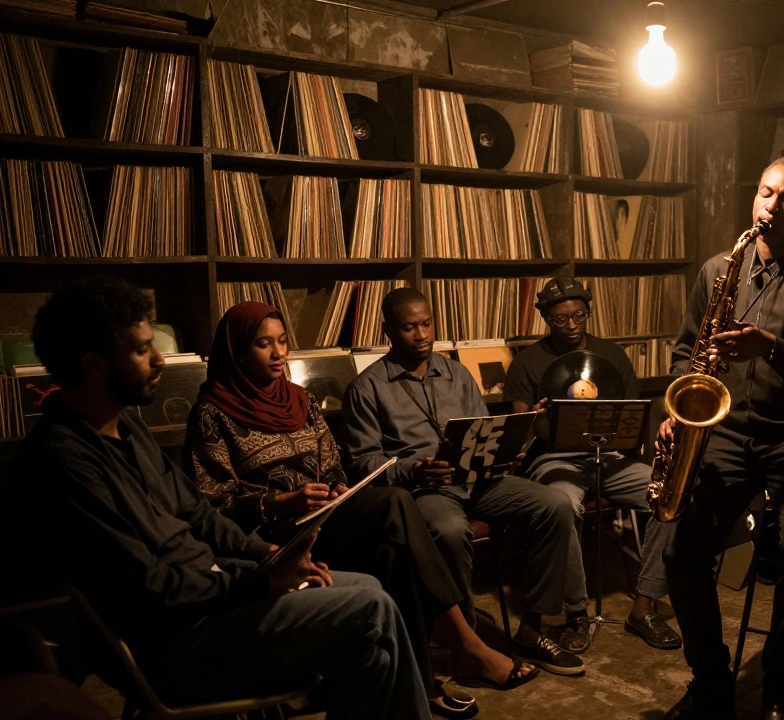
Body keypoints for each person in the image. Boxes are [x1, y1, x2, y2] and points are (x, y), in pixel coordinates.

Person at [3, 277, 430, 720]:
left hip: (212, 597)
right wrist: (260, 582)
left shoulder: (124, 426)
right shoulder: (65, 463)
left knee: (371, 602)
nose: (160, 359)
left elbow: (197, 512)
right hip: (174, 642)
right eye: (140, 350)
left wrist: (267, 553)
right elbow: (152, 587)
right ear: (94, 365)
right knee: (373, 608)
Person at [184, 302, 538, 713]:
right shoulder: (213, 413)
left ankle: (420, 683)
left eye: (283, 342)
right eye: (264, 345)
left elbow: (335, 467)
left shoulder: (300, 399)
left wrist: (334, 490)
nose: (279, 353)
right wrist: (284, 501)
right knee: (395, 504)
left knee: (394, 549)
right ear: (238, 351)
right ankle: (462, 642)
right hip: (272, 540)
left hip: (326, 522)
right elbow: (212, 506)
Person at [659, 156, 784, 720]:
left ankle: (779, 675)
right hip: (725, 432)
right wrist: (680, 403)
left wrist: (770, 346)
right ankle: (712, 678)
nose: (772, 206)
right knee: (680, 552)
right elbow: (686, 349)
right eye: (766, 192)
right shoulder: (717, 269)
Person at [343, 287, 586, 677]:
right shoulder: (368, 387)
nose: (422, 335)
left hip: (479, 481)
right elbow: (362, 464)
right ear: (388, 331)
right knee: (449, 529)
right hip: (424, 490)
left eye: (427, 324)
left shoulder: (457, 373)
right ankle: (467, 643)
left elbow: (483, 430)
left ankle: (531, 628)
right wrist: (412, 469)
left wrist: (510, 450)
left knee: (554, 505)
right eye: (409, 328)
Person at [502, 276, 681, 653]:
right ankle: (575, 613)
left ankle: (644, 606)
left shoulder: (611, 355)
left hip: (611, 456)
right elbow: (517, 437)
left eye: (579, 316)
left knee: (669, 494)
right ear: (544, 318)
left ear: (589, 312)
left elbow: (633, 412)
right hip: (553, 458)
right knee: (562, 506)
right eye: (561, 319)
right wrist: (535, 417)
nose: (571, 326)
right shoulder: (526, 363)